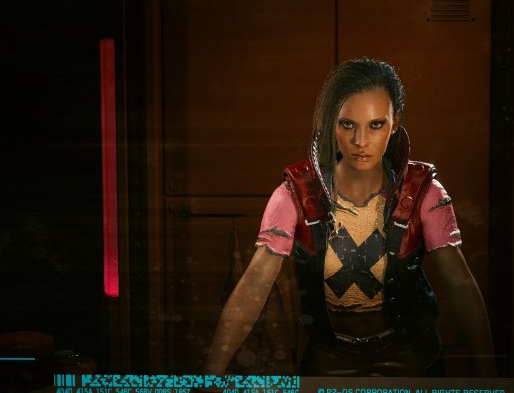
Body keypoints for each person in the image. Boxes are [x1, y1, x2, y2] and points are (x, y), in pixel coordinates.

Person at [203, 58, 496, 377]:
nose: (361, 141)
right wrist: (210, 376)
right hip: (329, 361)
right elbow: (254, 285)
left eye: (375, 125)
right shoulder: (294, 195)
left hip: (412, 358)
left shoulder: (424, 192)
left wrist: (489, 375)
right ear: (331, 123)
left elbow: (460, 285)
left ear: (395, 122)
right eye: (347, 124)